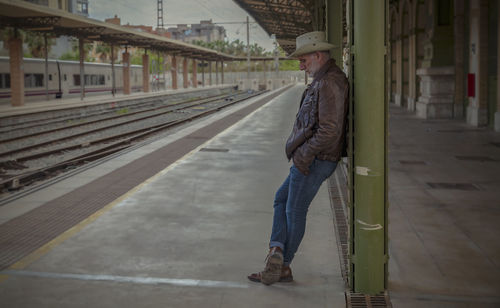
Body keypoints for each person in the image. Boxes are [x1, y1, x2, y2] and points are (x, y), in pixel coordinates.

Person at [248, 31, 349, 285]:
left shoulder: (329, 83)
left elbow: (329, 130)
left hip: (316, 159)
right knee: (281, 200)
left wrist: (303, 155)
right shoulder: (323, 79)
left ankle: (283, 264)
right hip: (312, 158)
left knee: (294, 210)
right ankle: (277, 252)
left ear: (317, 55)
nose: (300, 65)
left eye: (303, 60)